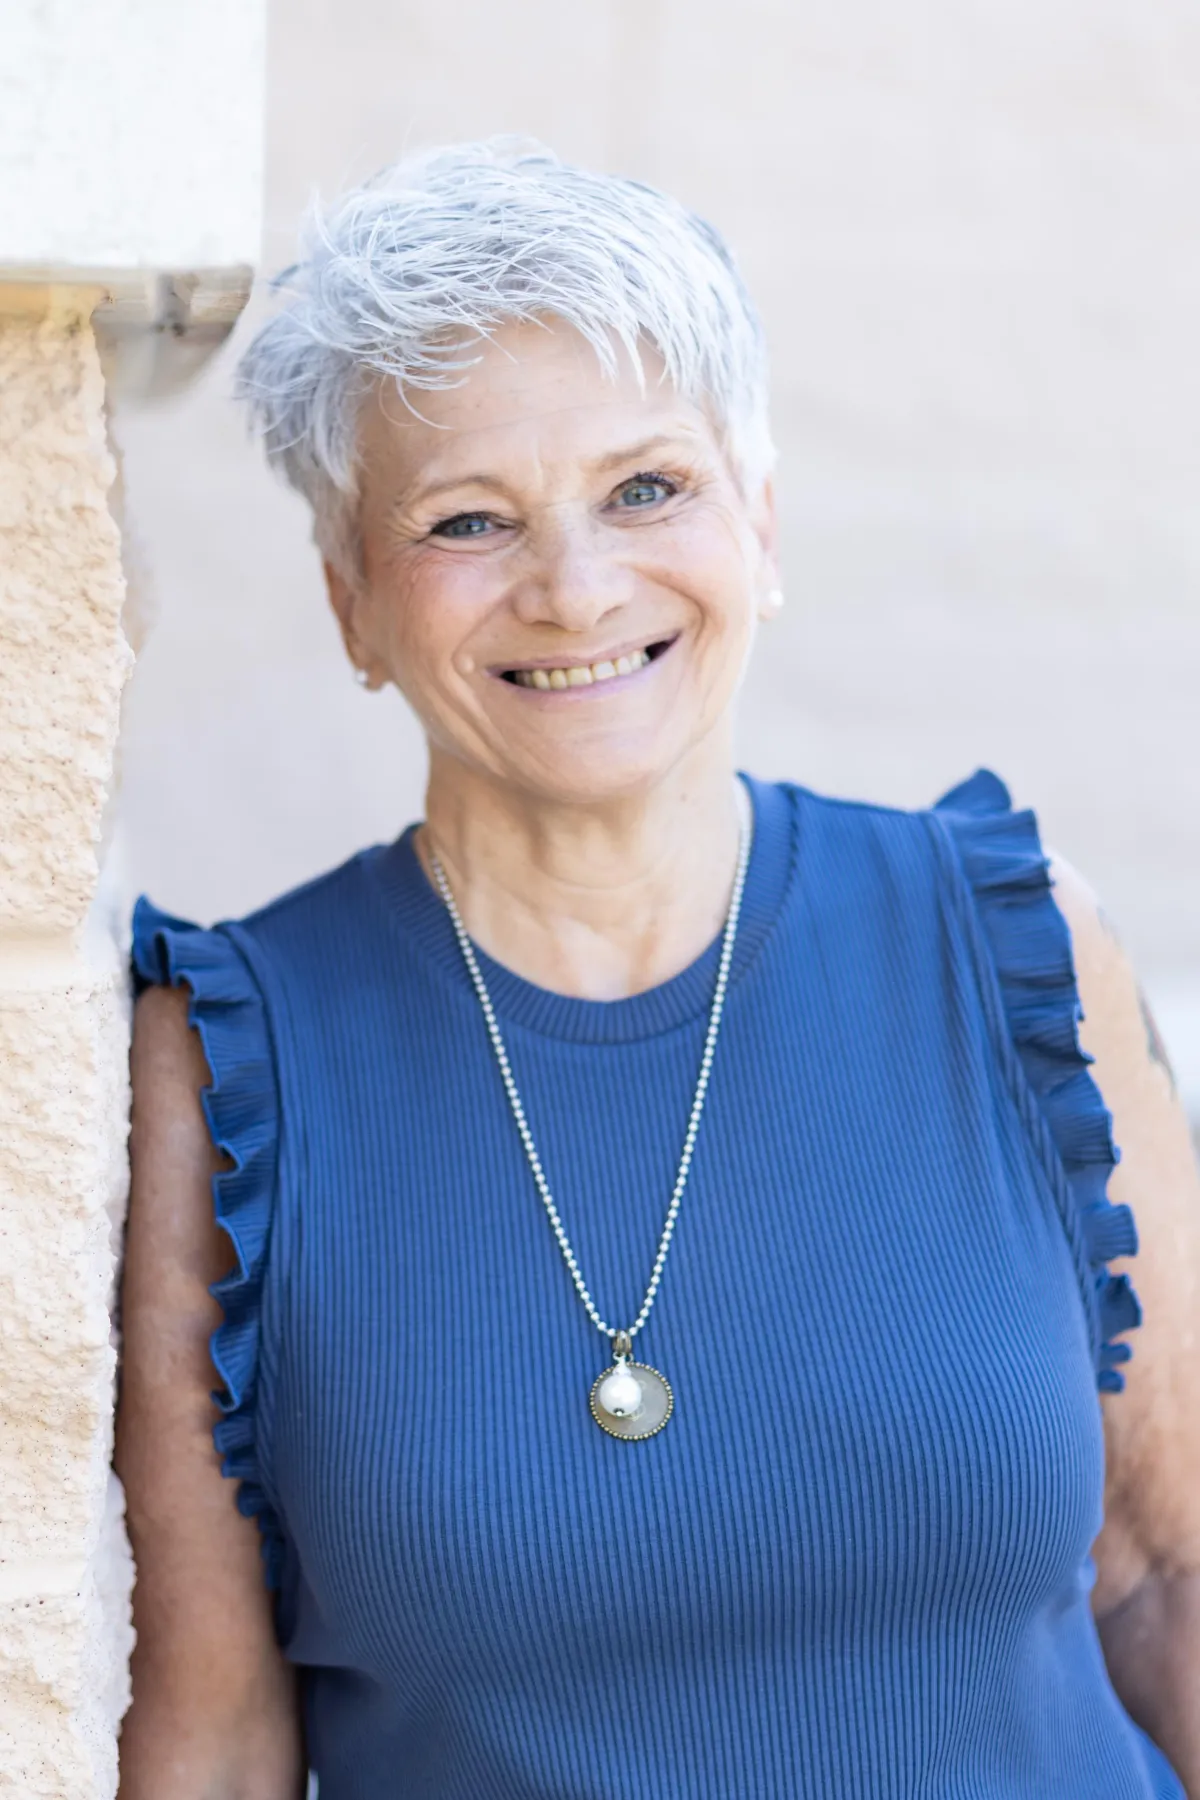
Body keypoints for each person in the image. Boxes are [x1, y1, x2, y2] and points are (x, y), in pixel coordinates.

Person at [115, 141, 1200, 1799]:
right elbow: (217, 1735)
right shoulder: (230, 1072)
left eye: (646, 489)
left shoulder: (1020, 951)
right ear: (352, 607)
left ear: (759, 524)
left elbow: (1168, 1573)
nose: (575, 587)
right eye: (468, 519)